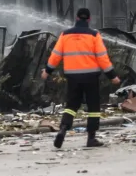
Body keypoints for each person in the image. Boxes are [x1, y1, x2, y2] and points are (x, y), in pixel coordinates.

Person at [41, 8, 120, 149]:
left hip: (73, 77)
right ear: (89, 19)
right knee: (93, 107)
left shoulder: (65, 35)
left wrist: (47, 71)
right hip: (91, 77)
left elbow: (55, 56)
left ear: (76, 18)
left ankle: (63, 129)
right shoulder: (94, 35)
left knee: (71, 106)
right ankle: (91, 138)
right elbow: (102, 58)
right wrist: (112, 76)